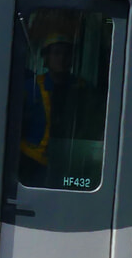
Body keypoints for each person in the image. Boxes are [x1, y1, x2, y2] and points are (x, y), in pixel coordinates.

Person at [19, 33, 100, 187]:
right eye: (56, 53)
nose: (61, 59)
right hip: (32, 162)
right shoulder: (30, 87)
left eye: (66, 54)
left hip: (71, 162)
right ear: (46, 58)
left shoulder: (85, 89)